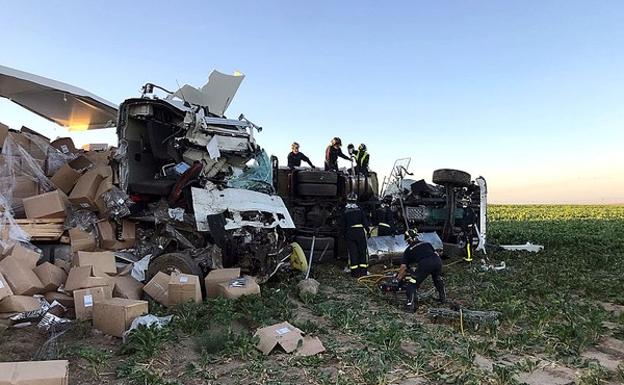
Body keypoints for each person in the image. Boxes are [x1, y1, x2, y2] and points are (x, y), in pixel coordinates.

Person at [395, 229, 446, 312]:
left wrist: (397, 279)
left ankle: (410, 306)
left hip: (425, 263)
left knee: (412, 284)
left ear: (407, 240)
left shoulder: (408, 250)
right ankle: (442, 299)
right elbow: (436, 254)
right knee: (437, 279)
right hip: (437, 261)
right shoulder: (427, 243)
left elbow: (403, 267)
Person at [342, 193, 370, 277]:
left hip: (350, 233)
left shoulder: (345, 211)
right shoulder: (360, 210)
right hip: (360, 232)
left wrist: (343, 235)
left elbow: (343, 225)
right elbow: (365, 222)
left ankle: (355, 274)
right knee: (362, 252)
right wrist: (368, 231)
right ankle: (363, 272)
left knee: (353, 253)